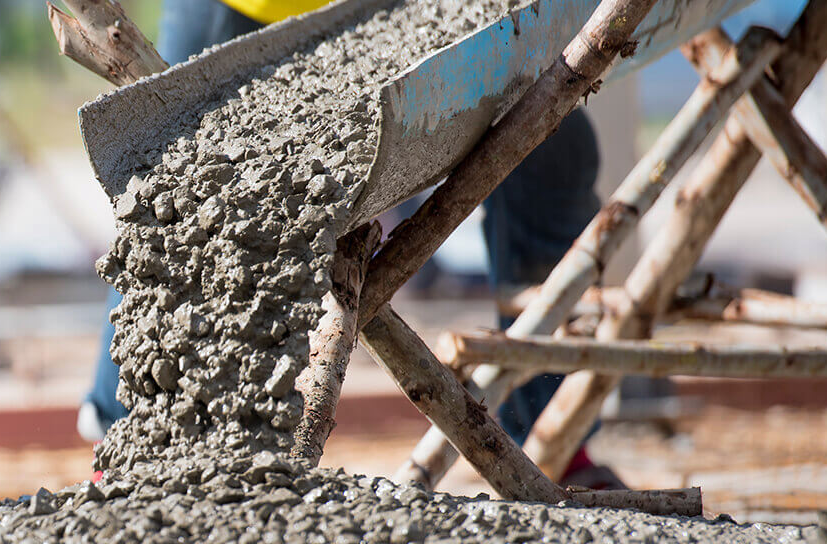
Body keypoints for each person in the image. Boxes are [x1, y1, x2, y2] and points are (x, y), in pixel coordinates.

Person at [77, 0, 624, 489]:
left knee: (554, 158)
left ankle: (559, 434)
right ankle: (133, 439)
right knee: (175, 198)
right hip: (251, 7)